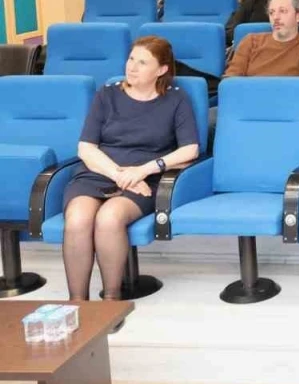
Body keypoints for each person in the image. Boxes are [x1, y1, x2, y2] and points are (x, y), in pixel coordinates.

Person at [61, 37, 200, 304]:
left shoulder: (176, 99)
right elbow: (86, 148)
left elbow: (190, 149)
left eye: (143, 62)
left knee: (109, 218)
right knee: (77, 219)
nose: (132, 67)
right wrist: (121, 176)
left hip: (146, 179)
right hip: (99, 172)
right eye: (131, 59)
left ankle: (111, 301)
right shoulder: (107, 94)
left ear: (161, 70)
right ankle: (77, 304)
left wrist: (144, 170)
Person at [224, 0, 299, 83]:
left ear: (298, 16)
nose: (275, 17)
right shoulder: (250, 41)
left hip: (291, 97)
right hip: (251, 95)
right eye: (271, 12)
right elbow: (231, 79)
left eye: (283, 11)